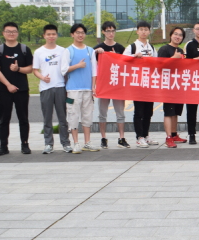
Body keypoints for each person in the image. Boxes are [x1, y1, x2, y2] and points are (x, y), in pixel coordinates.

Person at [0, 22, 33, 155]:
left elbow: (30, 69)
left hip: (22, 89)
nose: (11, 34)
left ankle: (25, 144)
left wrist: (18, 69)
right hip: (4, 90)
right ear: (3, 33)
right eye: (8, 31)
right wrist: (8, 85)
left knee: (23, 118)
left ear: (17, 33)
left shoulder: (24, 49)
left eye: (14, 31)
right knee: (4, 119)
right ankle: (3, 146)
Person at [32, 24, 72, 154]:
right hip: (46, 88)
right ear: (44, 35)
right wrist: (43, 78)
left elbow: (66, 69)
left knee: (62, 118)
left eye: (53, 34)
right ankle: (48, 144)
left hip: (60, 87)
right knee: (47, 118)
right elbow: (35, 70)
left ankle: (66, 143)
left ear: (57, 35)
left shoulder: (63, 51)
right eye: (48, 34)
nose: (51, 36)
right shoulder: (39, 52)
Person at [61, 23, 99, 154]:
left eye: (82, 32)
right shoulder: (68, 51)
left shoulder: (90, 51)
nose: (80, 35)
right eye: (77, 32)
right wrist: (77, 66)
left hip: (88, 89)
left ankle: (87, 142)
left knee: (87, 116)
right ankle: (76, 143)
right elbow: (63, 70)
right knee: (73, 115)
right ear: (72, 34)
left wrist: (93, 86)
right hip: (73, 90)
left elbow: (94, 70)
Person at [94, 21, 129, 149]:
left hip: (117, 85)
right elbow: (91, 63)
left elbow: (127, 64)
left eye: (113, 31)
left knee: (120, 113)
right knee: (102, 113)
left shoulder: (120, 48)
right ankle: (103, 138)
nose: (111, 33)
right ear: (103, 32)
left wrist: (116, 57)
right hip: (104, 85)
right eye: (108, 31)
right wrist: (96, 52)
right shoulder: (98, 48)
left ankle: (121, 138)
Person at [123, 21, 158, 148]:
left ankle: (146, 135)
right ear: (137, 31)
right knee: (139, 112)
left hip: (149, 83)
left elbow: (157, 63)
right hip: (137, 83)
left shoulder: (152, 47)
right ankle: (139, 137)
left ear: (149, 31)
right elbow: (122, 60)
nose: (143, 32)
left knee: (148, 111)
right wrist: (134, 56)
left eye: (146, 29)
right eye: (141, 29)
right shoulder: (132, 47)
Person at [157, 27, 187, 148]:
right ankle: (168, 137)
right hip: (167, 86)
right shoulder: (164, 49)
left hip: (178, 85)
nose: (177, 37)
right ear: (171, 35)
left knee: (175, 112)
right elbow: (158, 66)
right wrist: (173, 58)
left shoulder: (180, 50)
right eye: (176, 34)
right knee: (168, 112)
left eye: (180, 35)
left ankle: (174, 134)